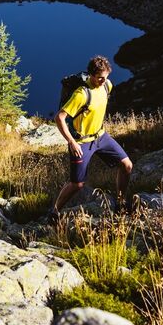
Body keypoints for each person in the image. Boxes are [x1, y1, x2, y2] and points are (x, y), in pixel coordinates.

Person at [51, 55, 133, 218]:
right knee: (77, 184)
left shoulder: (106, 86)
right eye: (100, 78)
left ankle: (120, 203)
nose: (104, 80)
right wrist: (72, 142)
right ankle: (54, 212)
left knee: (127, 165)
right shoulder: (81, 94)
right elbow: (59, 117)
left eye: (106, 77)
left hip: (101, 137)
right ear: (91, 75)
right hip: (82, 142)